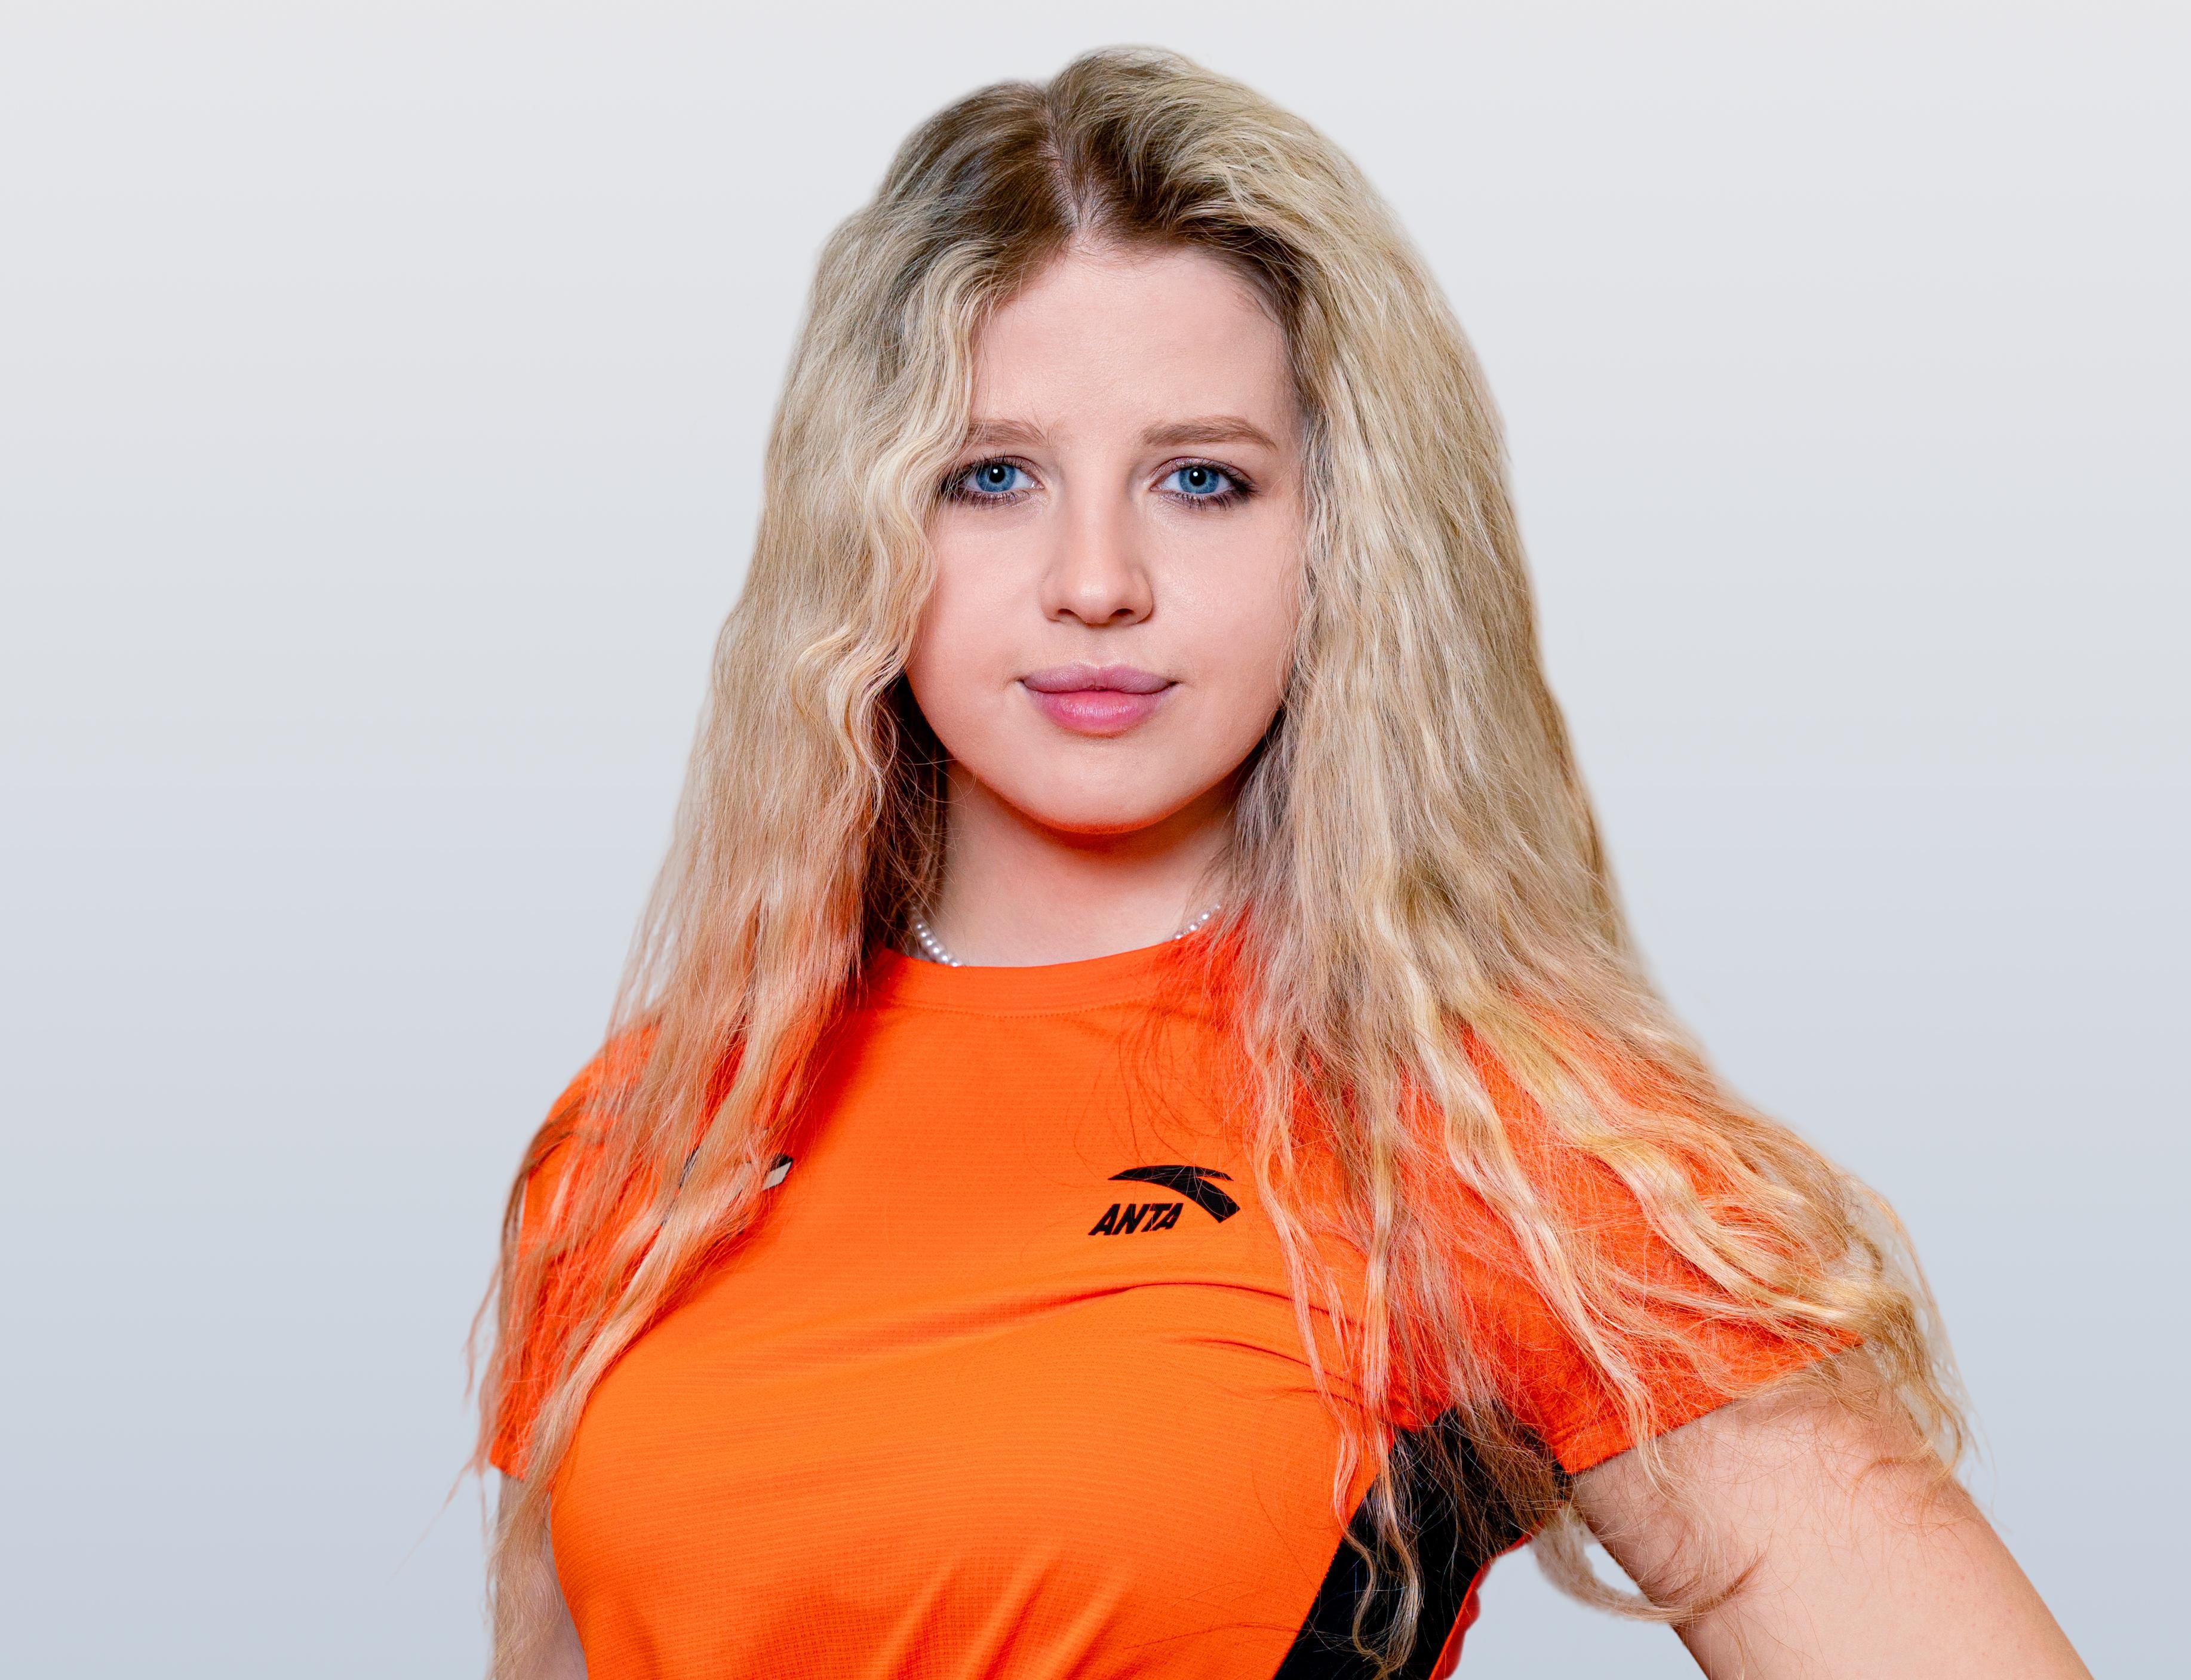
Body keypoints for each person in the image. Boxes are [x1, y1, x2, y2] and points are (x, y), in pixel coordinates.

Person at [473, 45, 2090, 1680]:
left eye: (1203, 480)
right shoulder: (649, 1137)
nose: (1095, 579)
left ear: (1343, 537)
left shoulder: (1487, 1133)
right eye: (990, 476)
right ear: (862, 528)